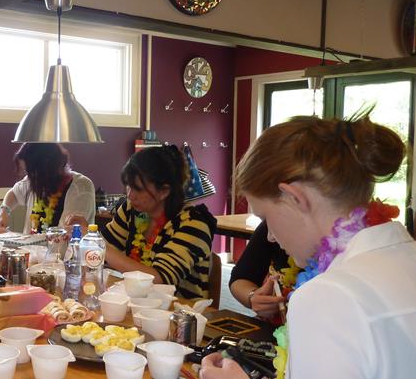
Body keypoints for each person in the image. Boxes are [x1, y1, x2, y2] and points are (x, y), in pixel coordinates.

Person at [200, 114, 416, 379]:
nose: (269, 237)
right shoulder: (404, 253)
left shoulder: (327, 297)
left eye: (266, 217)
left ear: (294, 198)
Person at [101, 146, 217, 299]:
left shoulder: (193, 223)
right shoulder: (132, 211)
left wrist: (98, 246)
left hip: (179, 313)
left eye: (138, 189)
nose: (130, 195)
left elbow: (159, 279)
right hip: (137, 305)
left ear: (164, 191)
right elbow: (102, 255)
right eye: (128, 186)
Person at [0, 143, 95, 235]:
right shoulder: (36, 179)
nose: (28, 176)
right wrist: (4, 212)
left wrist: (12, 237)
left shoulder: (81, 188)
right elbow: (13, 193)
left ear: (47, 169)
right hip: (35, 254)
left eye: (31, 171)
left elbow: (62, 238)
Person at [229, 221, 290, 320]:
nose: (270, 238)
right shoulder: (270, 226)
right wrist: (253, 296)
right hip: (274, 329)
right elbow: (240, 278)